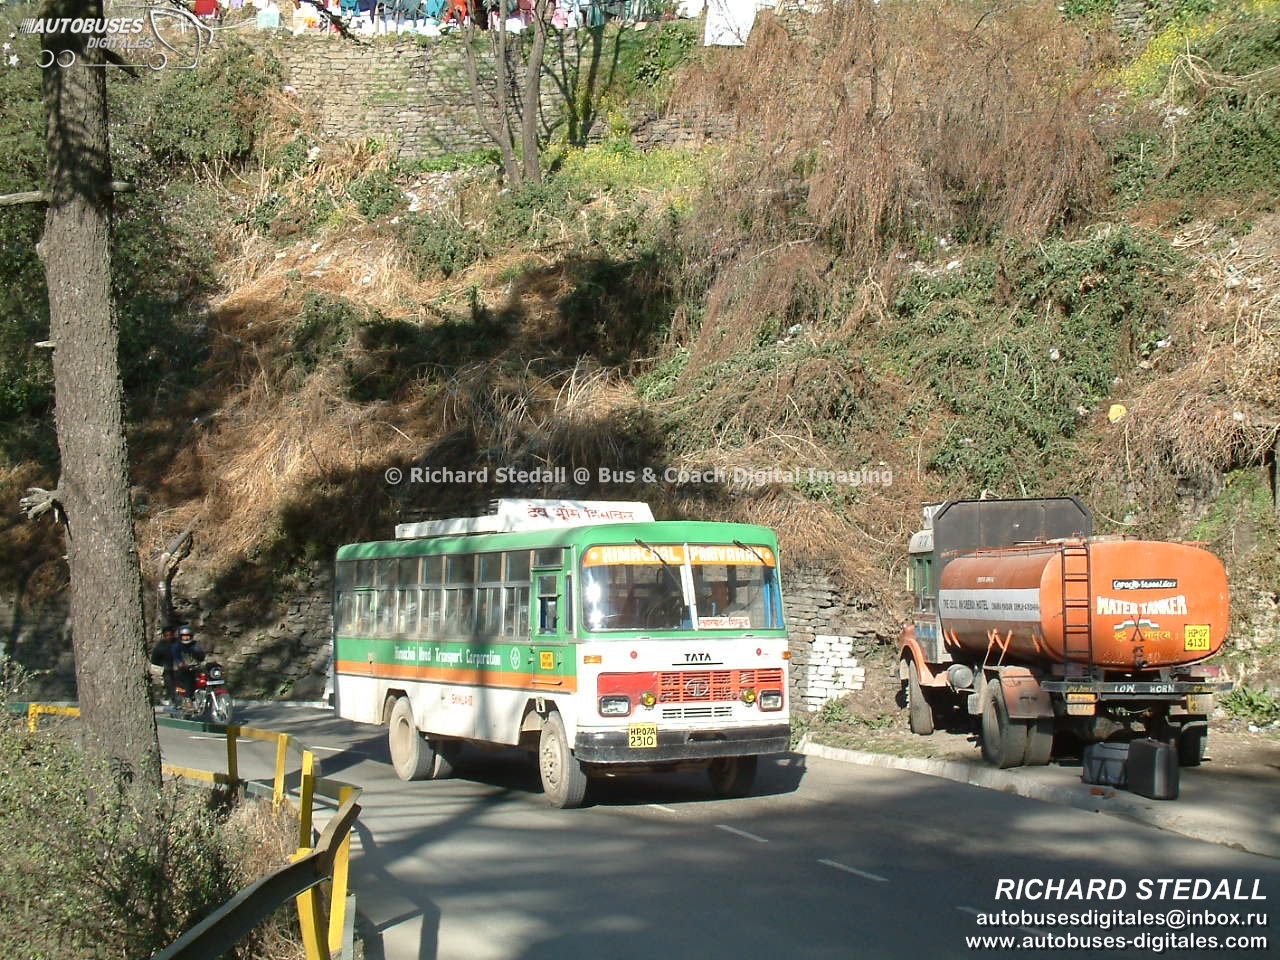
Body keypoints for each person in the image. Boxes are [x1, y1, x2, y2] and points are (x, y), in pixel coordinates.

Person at [167, 626, 206, 707]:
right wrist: (180, 663)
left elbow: (201, 655)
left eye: (187, 635)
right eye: (184, 636)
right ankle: (188, 699)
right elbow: (176, 657)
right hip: (181, 670)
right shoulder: (176, 646)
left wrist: (198, 654)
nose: (186, 638)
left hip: (195, 667)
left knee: (206, 676)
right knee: (188, 678)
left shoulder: (195, 644)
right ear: (180, 636)